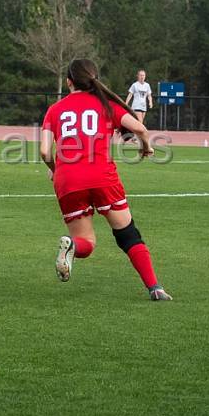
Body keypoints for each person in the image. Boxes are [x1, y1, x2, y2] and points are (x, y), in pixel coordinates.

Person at [39, 58, 172, 301]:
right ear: (94, 79)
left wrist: (55, 168)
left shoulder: (54, 110)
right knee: (128, 234)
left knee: (86, 241)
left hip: (68, 181)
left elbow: (45, 152)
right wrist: (146, 148)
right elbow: (140, 129)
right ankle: (155, 287)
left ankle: (73, 246)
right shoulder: (107, 105)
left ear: (69, 82)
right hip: (102, 177)